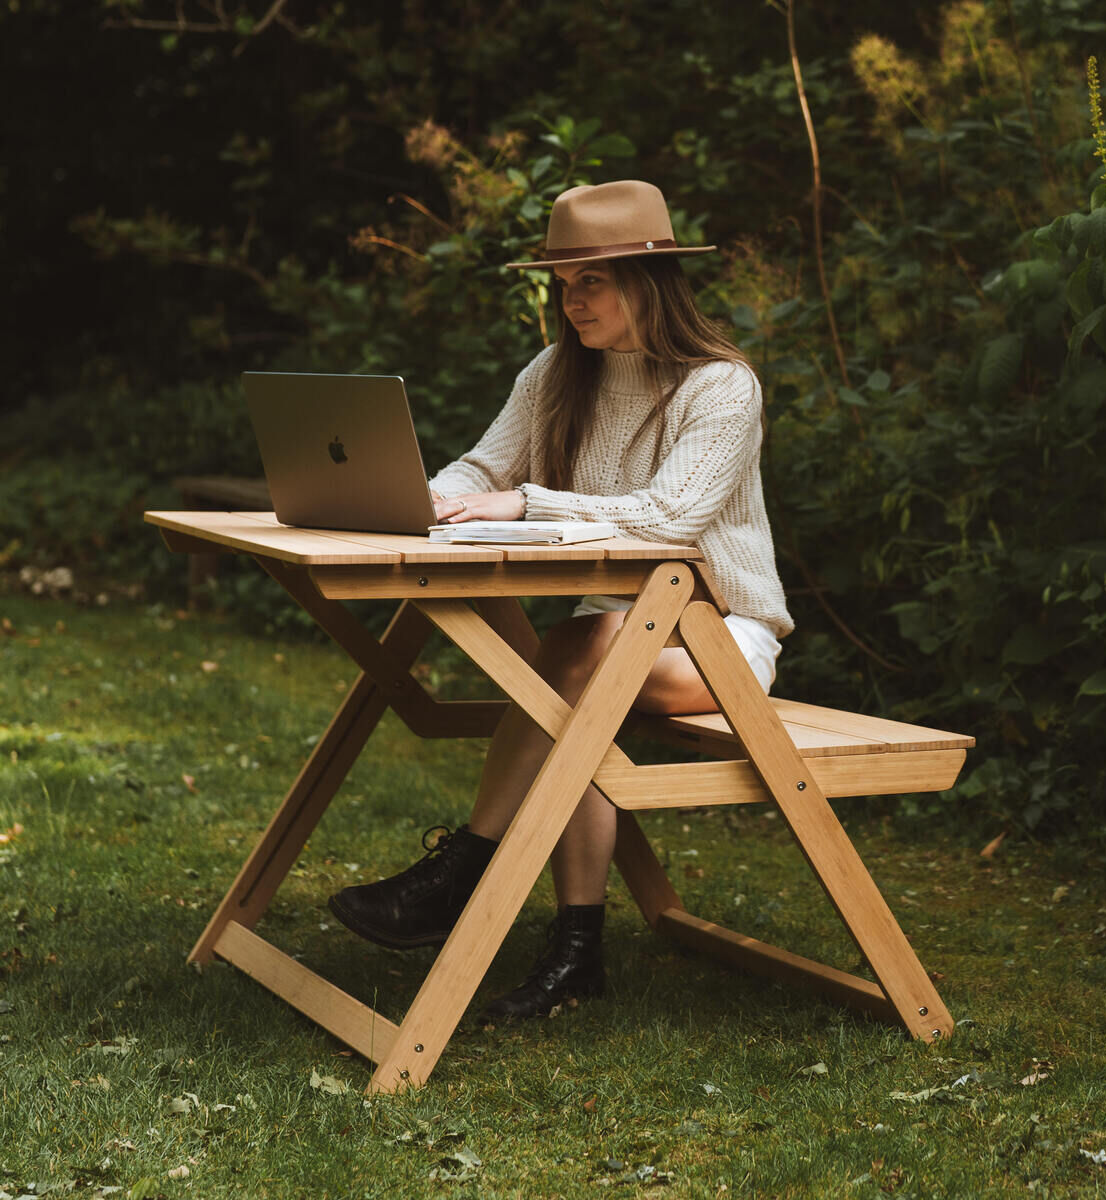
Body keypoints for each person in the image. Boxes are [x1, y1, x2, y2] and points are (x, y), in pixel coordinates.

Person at [327, 179, 793, 1021]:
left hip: (720, 636)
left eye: (591, 281)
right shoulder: (555, 373)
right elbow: (483, 468)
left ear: (647, 282)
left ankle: (464, 870)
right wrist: (435, 498)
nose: (571, 301)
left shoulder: (720, 387)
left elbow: (671, 516)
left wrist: (528, 504)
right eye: (563, 282)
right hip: (612, 638)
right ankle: (578, 954)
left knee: (574, 661)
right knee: (578, 691)